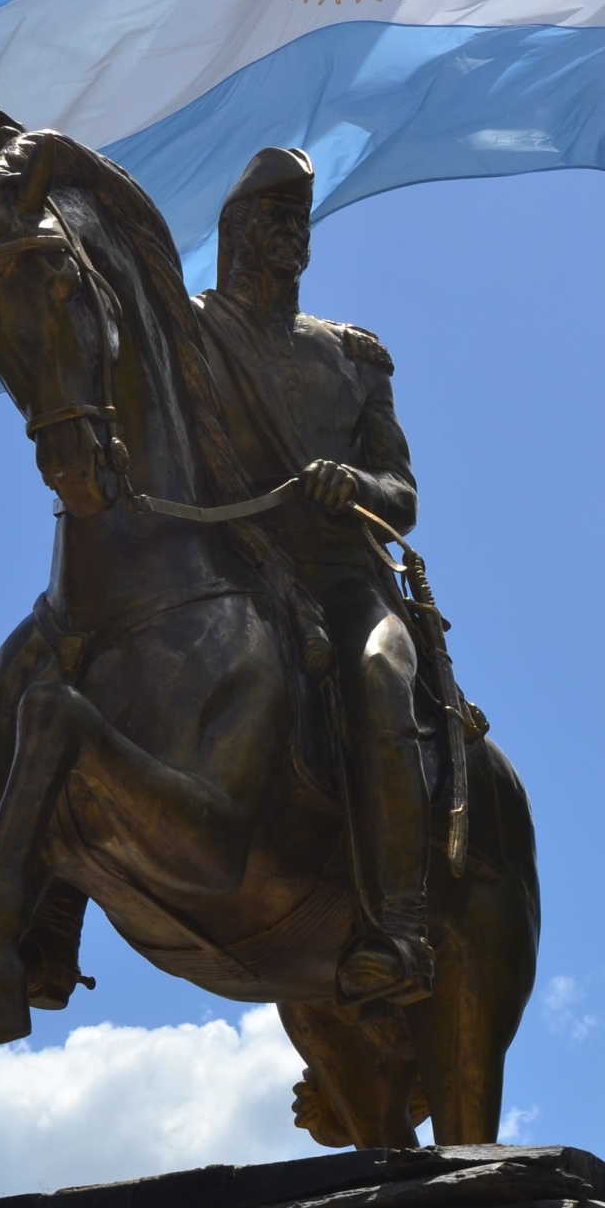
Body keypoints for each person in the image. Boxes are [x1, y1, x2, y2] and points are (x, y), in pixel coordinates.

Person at [196, 148, 434, 1005]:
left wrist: (354, 485)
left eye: (297, 222)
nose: (287, 235)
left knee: (377, 679)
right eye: (269, 220)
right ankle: (46, 906)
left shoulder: (352, 357)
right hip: (224, 567)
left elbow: (401, 498)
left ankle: (397, 924)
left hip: (338, 577)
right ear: (232, 234)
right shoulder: (187, 335)